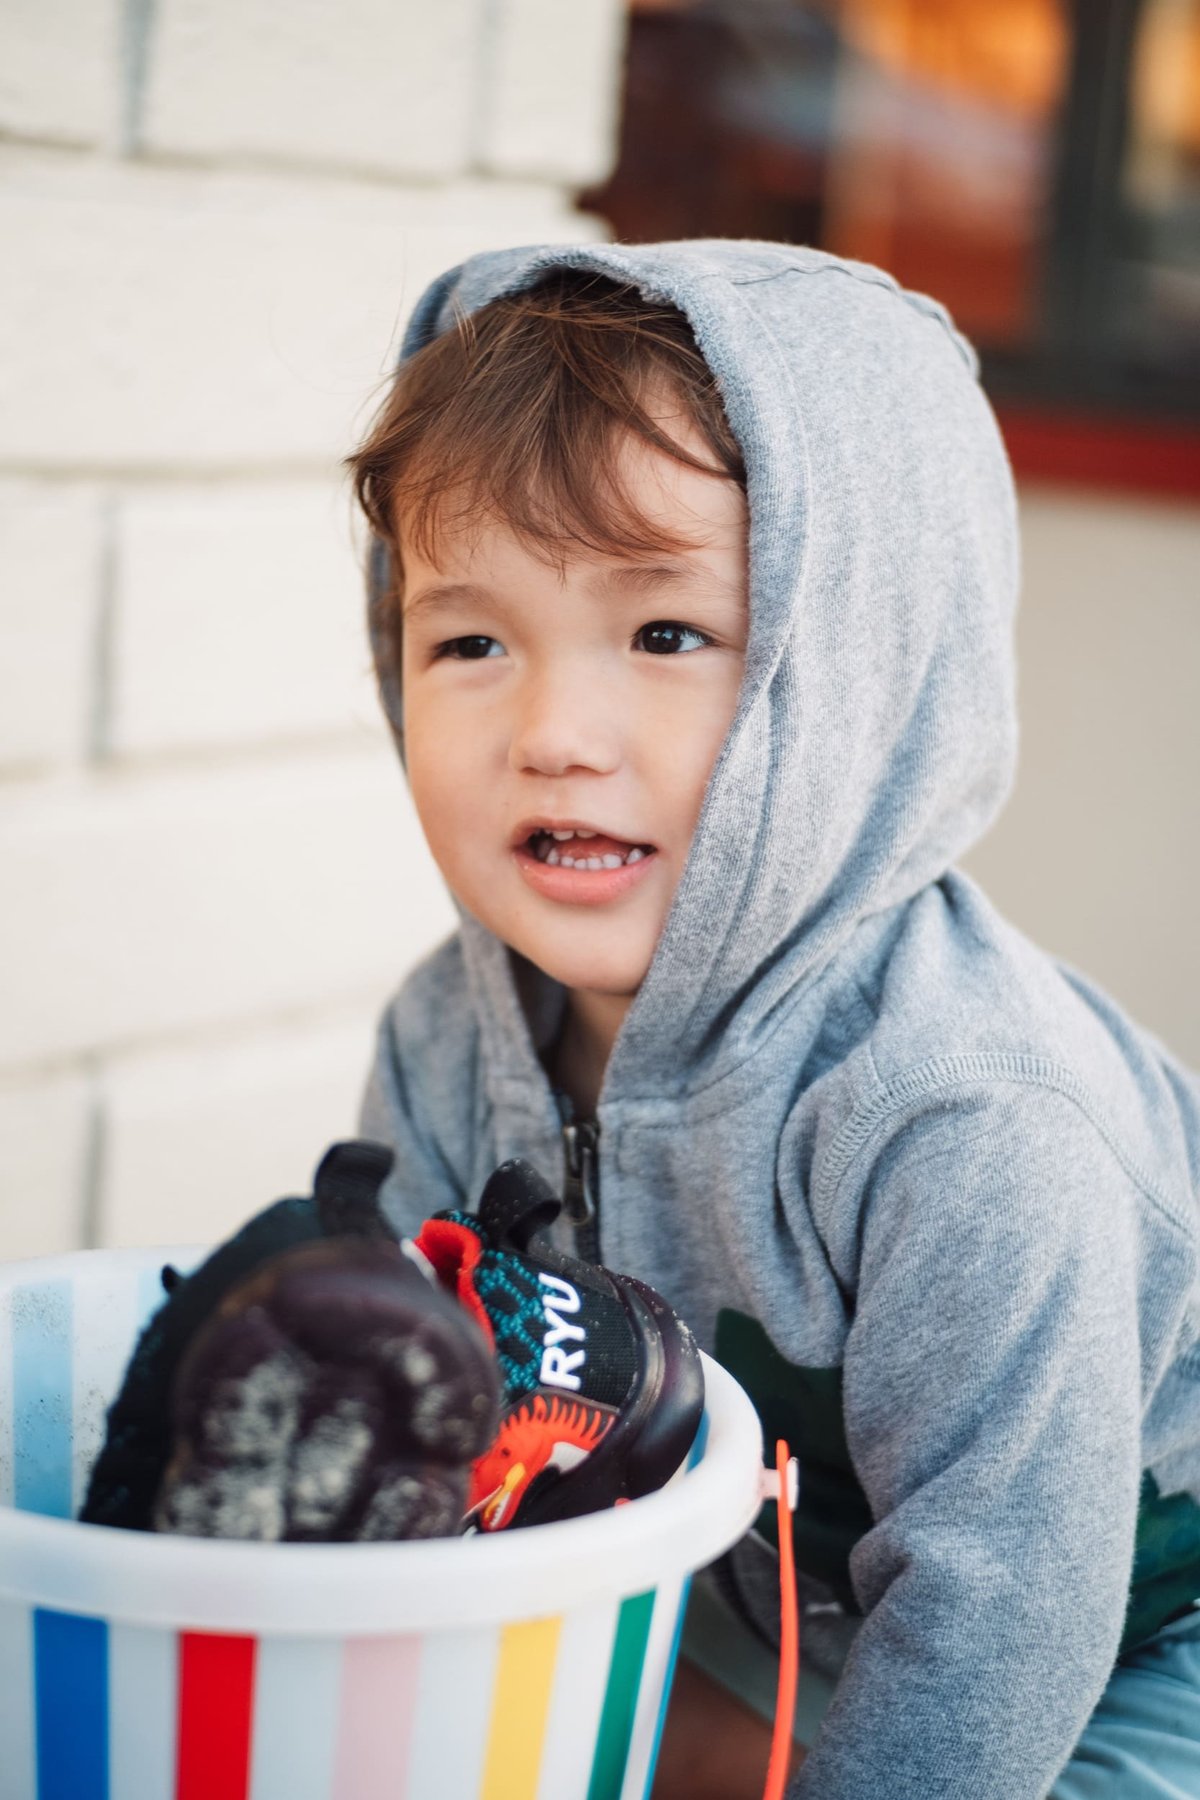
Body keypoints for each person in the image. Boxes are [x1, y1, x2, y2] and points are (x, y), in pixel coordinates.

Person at [348, 241, 1200, 1799]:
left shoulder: (963, 1113)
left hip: (1143, 1634)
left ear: (868, 671)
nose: (552, 733)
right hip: (785, 1596)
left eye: (667, 635)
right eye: (471, 641)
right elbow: (410, 1438)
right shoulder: (444, 1038)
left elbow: (998, 1615)